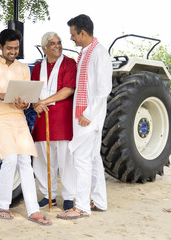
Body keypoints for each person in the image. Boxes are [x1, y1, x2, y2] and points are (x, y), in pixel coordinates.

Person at [0, 29, 52, 226]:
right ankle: (3, 205)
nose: (13, 52)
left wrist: (24, 104)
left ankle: (33, 211)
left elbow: (26, 98)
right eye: (9, 48)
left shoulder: (23, 69)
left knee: (25, 162)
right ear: (0, 47)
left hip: (17, 117)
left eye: (16, 48)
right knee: (10, 158)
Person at [57, 14, 113, 219]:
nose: (71, 38)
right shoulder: (86, 53)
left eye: (73, 34)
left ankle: (81, 207)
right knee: (93, 159)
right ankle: (99, 201)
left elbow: (104, 89)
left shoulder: (99, 53)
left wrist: (87, 114)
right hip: (85, 116)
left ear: (82, 32)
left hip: (88, 117)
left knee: (81, 159)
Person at [31, 32, 77, 211]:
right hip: (43, 117)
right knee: (42, 158)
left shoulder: (69, 63)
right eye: (52, 44)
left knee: (66, 158)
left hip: (62, 118)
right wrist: (36, 103)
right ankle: (48, 194)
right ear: (44, 48)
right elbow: (33, 91)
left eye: (59, 43)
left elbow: (68, 90)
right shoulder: (37, 68)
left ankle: (69, 196)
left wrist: (43, 101)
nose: (57, 46)